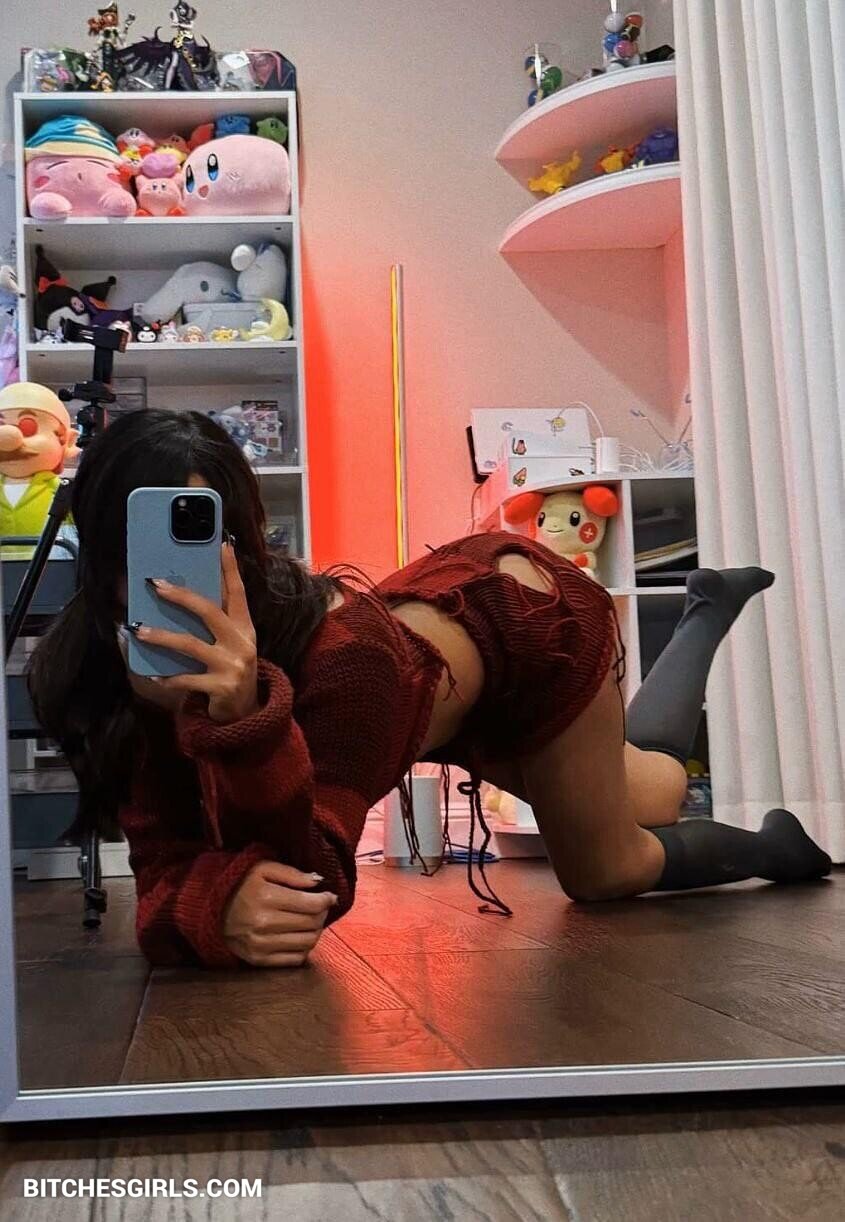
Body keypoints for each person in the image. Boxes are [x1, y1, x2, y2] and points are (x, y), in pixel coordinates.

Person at [28, 410, 831, 970]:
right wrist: (209, 904)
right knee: (645, 790)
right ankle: (707, 606)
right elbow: (164, 862)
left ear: (248, 542)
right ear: (99, 552)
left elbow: (307, 886)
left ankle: (775, 842)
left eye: (207, 537)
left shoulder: (345, 664)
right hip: (436, 680)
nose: (170, 581)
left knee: (609, 864)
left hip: (525, 623)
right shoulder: (87, 662)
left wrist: (243, 716)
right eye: (141, 545)